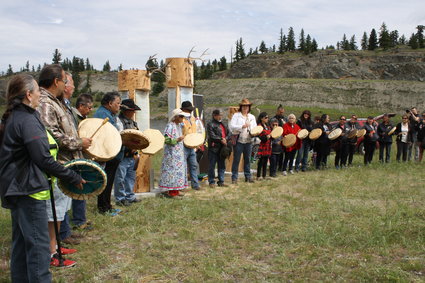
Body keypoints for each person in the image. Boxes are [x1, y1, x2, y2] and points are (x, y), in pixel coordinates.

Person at [0, 74, 84, 281]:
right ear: (28, 95)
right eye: (37, 90)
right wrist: (71, 176)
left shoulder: (16, 116)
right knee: (38, 247)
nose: (40, 94)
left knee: (21, 245)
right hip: (29, 191)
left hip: (18, 189)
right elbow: (43, 158)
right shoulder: (27, 120)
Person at [37, 64, 91, 266]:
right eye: (64, 80)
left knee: (59, 210)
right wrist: (78, 143)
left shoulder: (54, 101)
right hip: (57, 164)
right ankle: (51, 251)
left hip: (65, 163)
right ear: (55, 82)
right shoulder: (45, 103)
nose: (66, 84)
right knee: (53, 211)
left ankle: (55, 245)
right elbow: (52, 134)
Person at [94, 92, 122, 215]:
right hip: (106, 154)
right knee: (105, 180)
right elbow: (109, 134)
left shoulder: (108, 114)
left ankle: (107, 205)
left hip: (111, 155)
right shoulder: (102, 114)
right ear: (110, 103)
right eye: (118, 103)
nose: (119, 106)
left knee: (109, 181)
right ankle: (103, 207)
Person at [114, 99, 142, 206]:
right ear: (126, 111)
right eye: (132, 110)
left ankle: (130, 196)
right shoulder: (118, 121)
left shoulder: (133, 123)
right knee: (120, 177)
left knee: (130, 177)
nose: (134, 113)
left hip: (132, 155)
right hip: (123, 154)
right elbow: (119, 137)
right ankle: (120, 198)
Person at [159, 109, 189, 197]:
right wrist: (176, 140)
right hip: (171, 153)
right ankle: (171, 192)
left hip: (178, 153)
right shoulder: (170, 126)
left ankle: (176, 190)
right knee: (172, 172)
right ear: (175, 117)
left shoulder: (179, 126)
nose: (182, 118)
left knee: (178, 171)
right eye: (181, 116)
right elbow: (166, 139)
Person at [229, 98, 257, 184]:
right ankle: (234, 178)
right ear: (241, 107)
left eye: (247, 106)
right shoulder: (236, 115)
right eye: (244, 106)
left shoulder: (252, 117)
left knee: (247, 159)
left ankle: (248, 176)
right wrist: (242, 126)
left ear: (249, 107)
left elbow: (255, 127)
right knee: (236, 159)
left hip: (248, 141)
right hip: (238, 140)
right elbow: (232, 126)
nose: (245, 108)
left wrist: (254, 132)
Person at [206, 109, 230, 188]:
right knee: (212, 166)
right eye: (219, 115)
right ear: (214, 115)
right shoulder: (210, 124)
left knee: (222, 165)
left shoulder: (223, 123)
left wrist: (225, 138)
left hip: (222, 148)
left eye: (221, 115)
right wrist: (221, 139)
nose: (221, 116)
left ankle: (221, 181)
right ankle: (211, 182)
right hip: (214, 148)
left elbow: (229, 133)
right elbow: (212, 136)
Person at [180, 101, 201, 190]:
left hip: (192, 146)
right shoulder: (180, 119)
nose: (189, 111)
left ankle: (195, 185)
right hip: (183, 145)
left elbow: (195, 131)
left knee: (193, 165)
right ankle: (183, 185)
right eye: (188, 110)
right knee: (183, 166)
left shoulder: (192, 118)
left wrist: (196, 143)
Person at [256, 112, 272, 180]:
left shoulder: (268, 126)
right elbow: (259, 136)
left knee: (265, 160)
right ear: (261, 118)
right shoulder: (259, 126)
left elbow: (270, 134)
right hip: (262, 145)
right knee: (261, 161)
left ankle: (264, 175)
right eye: (266, 117)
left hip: (268, 145)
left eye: (268, 117)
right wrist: (266, 137)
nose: (267, 119)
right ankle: (258, 176)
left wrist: (271, 136)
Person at [272, 104, 287, 171]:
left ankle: (280, 167)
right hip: (275, 138)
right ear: (277, 111)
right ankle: (273, 167)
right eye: (280, 112)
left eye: (282, 112)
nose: (281, 113)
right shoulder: (273, 119)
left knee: (281, 154)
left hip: (283, 138)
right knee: (275, 154)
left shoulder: (285, 119)